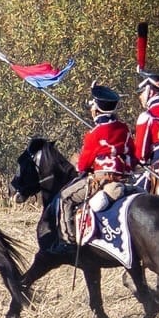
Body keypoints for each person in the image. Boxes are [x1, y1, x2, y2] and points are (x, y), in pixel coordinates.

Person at [60, 84, 137, 249]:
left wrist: (80, 162)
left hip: (102, 179)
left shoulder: (93, 134)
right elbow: (132, 155)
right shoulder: (124, 129)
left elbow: (82, 166)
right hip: (124, 178)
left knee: (65, 197)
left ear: (96, 110)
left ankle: (69, 240)